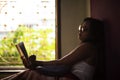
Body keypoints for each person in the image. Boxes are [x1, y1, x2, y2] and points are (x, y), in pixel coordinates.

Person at [2, 17, 105, 80]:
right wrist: (38, 66)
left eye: (84, 29)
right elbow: (64, 66)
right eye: (80, 28)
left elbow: (62, 63)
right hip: (69, 76)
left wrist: (38, 64)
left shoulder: (88, 47)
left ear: (94, 33)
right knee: (29, 73)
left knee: (29, 74)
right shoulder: (86, 46)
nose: (80, 31)